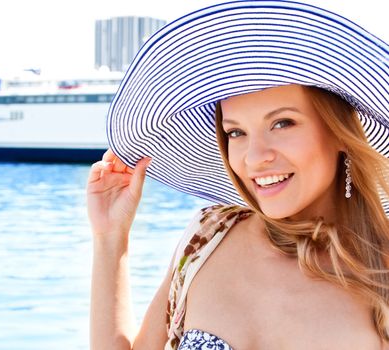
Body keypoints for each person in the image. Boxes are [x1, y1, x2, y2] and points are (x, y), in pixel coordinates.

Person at [87, 1, 389, 349]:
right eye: (236, 133)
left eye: (282, 123)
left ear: (339, 133)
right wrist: (110, 238)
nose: (255, 157)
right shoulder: (209, 236)